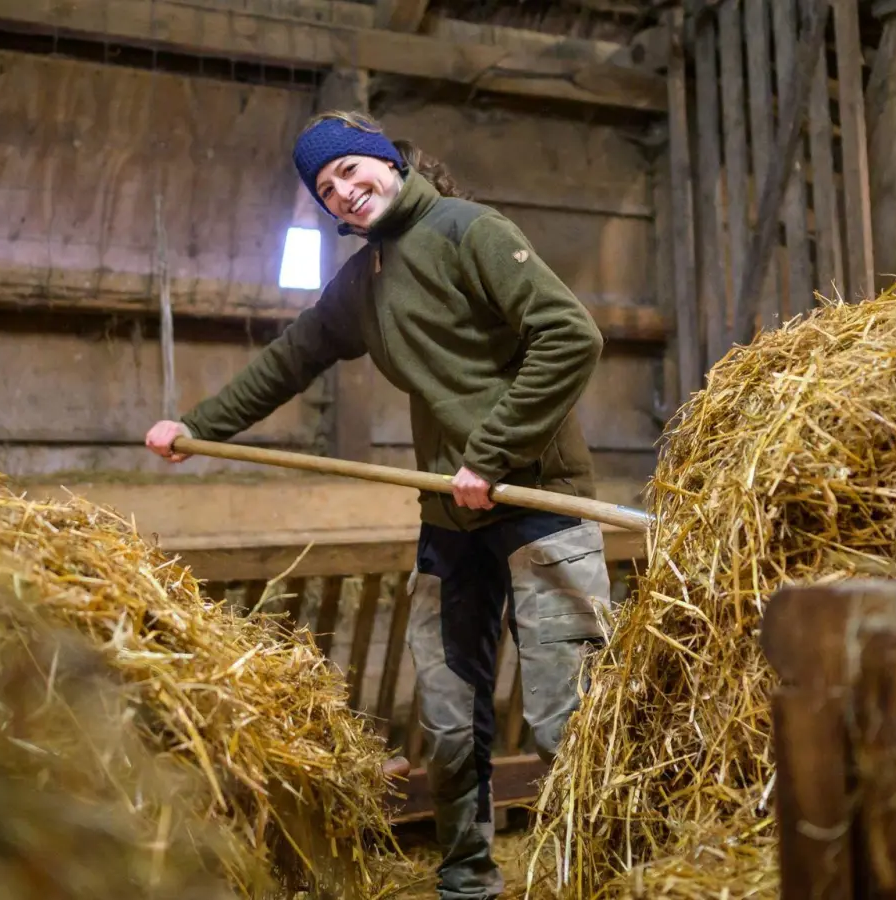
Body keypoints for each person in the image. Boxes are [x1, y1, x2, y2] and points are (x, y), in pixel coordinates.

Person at [143, 110, 613, 900]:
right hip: (451, 515)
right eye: (327, 190)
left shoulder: (471, 231)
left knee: (568, 717)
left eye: (353, 172)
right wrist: (197, 425)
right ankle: (468, 881)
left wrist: (491, 454)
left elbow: (572, 336)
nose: (345, 193)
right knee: (449, 713)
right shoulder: (363, 282)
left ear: (389, 162)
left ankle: (598, 876)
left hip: (540, 500)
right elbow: (290, 359)